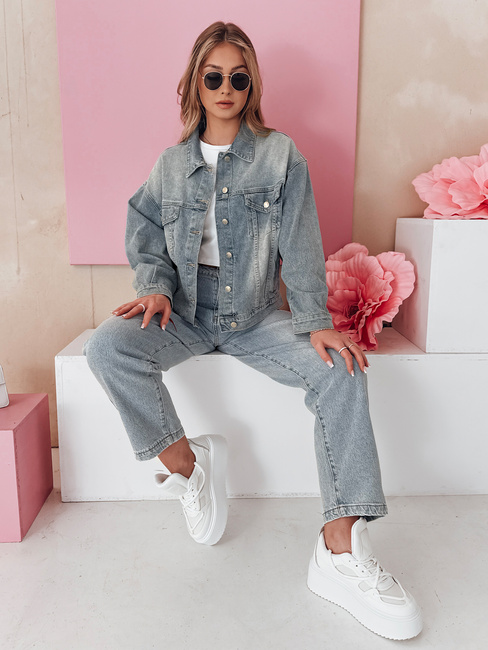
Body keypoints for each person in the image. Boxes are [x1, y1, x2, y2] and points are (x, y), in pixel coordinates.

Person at [84, 21, 422, 640]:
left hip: (256, 315)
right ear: (195, 83)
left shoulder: (279, 154)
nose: (225, 88)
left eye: (238, 78)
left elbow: (301, 240)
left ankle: (340, 548)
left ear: (251, 86)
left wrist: (315, 321)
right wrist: (154, 285)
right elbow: (144, 225)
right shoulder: (170, 165)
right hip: (184, 312)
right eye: (213, 76)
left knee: (342, 373)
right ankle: (189, 465)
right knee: (107, 348)